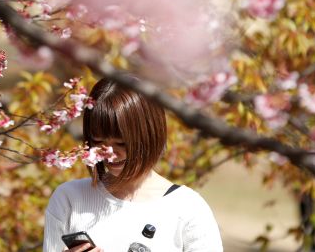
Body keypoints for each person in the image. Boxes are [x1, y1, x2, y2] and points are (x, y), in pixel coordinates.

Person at [43, 77, 223, 252]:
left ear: (150, 135)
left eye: (121, 143)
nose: (109, 153)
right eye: (98, 141)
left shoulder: (187, 208)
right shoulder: (69, 198)